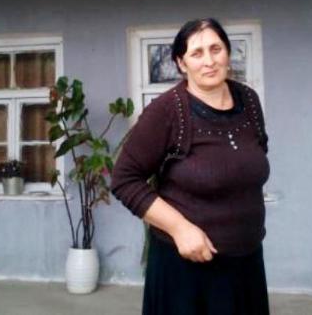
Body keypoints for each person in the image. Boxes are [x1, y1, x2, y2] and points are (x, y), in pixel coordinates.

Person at [111, 18, 271, 315]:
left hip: (246, 263)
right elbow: (124, 179)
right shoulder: (167, 111)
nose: (209, 61)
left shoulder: (249, 101)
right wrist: (180, 228)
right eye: (197, 53)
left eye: (216, 49)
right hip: (185, 272)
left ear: (228, 53)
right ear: (181, 63)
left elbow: (255, 155)